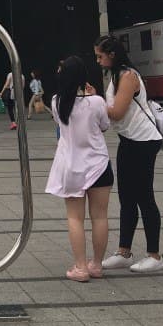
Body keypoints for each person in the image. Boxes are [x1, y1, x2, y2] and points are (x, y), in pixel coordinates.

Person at [89, 35, 163, 273]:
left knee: (144, 197)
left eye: (100, 56)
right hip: (128, 140)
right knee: (126, 197)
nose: (99, 61)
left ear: (112, 54)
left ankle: (155, 255)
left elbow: (118, 112)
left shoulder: (128, 76)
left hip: (144, 141)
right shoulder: (115, 75)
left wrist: (94, 101)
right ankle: (124, 251)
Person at [46, 56, 112, 282]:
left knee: (75, 218)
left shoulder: (56, 102)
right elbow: (104, 126)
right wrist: (93, 96)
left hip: (72, 166)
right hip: (99, 164)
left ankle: (80, 267)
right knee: (100, 217)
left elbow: (61, 124)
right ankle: (97, 265)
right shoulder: (96, 102)